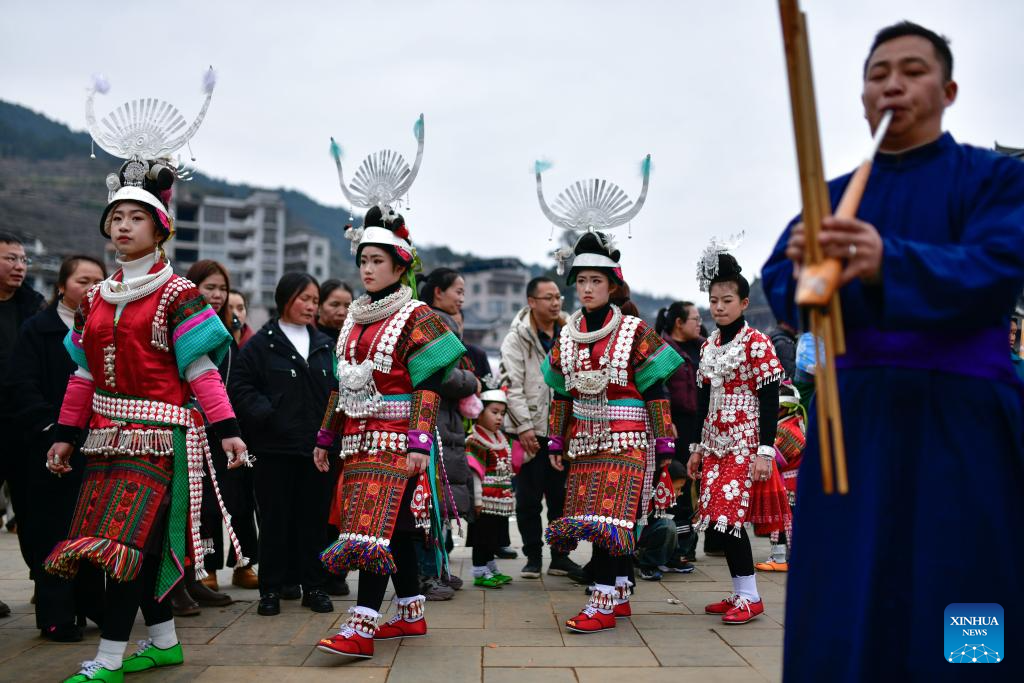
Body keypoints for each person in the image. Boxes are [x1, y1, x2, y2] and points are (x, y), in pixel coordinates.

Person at [762, 21, 1024, 680]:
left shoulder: (992, 179)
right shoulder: (831, 200)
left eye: (912, 70)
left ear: (949, 89)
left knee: (966, 572)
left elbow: (997, 269)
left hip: (964, 418)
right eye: (878, 74)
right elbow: (789, 288)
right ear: (861, 96)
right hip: (855, 419)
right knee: (845, 577)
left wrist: (888, 260)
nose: (893, 85)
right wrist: (802, 272)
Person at [44, 81, 252, 680]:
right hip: (106, 437)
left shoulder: (180, 294)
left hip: (161, 440)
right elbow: (83, 375)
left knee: (124, 548)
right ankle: (161, 642)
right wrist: (64, 434)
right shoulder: (97, 298)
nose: (123, 227)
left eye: (137, 217)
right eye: (116, 217)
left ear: (161, 228)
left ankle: (109, 657)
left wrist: (229, 431)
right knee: (131, 548)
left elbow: (202, 371)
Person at [313, 206, 466, 659]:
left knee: (370, 532)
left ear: (401, 265)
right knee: (394, 527)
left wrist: (419, 441)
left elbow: (430, 384)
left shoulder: (419, 315)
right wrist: (326, 436)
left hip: (397, 439)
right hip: (358, 438)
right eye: (363, 260)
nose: (368, 269)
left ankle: (361, 625)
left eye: (378, 261)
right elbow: (342, 384)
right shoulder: (355, 318)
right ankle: (410, 612)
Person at [543, 231, 682, 633]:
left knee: (611, 521)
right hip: (585, 441)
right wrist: (556, 437)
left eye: (596, 281)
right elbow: (560, 392)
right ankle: (618, 594)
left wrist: (663, 439)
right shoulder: (567, 335)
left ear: (613, 285)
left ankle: (601, 602)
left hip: (628, 438)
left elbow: (656, 389)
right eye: (582, 281)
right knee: (597, 519)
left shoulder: (636, 330)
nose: (587, 289)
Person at [5, 255, 106, 640]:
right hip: (48, 445)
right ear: (62, 286)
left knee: (91, 528)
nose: (91, 288)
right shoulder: (38, 329)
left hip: (96, 445)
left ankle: (92, 602)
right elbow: (21, 385)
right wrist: (52, 428)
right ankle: (56, 613)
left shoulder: (104, 328)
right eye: (83, 280)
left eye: (98, 281)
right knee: (51, 531)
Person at [228, 273, 336, 617]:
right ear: (285, 299)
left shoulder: (324, 344)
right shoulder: (262, 343)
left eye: (315, 300)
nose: (311, 306)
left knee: (315, 522)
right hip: (273, 449)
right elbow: (240, 387)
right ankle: (270, 589)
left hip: (317, 450)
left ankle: (314, 586)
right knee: (274, 521)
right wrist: (269, 414)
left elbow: (338, 391)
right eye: (305, 298)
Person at [687, 245, 783, 626]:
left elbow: (770, 398)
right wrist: (696, 448)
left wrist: (765, 450)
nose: (719, 307)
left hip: (744, 440)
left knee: (728, 517)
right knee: (718, 520)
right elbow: (703, 398)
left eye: (727, 300)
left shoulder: (756, 342)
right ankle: (741, 591)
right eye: (713, 300)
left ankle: (751, 597)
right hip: (714, 442)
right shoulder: (709, 345)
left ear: (744, 302)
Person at [499, 276, 581, 578]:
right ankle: (533, 556)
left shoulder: (571, 333)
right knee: (529, 498)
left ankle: (560, 556)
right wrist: (524, 426)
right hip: (528, 430)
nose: (555, 302)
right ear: (531, 301)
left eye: (558, 296)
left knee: (562, 499)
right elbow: (512, 385)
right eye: (548, 297)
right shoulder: (516, 337)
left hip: (563, 431)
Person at [186, 260, 259, 595]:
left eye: (221, 289)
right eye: (209, 287)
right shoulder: (184, 327)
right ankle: (209, 568)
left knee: (239, 504)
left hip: (230, 432)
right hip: (194, 431)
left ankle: (245, 564)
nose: (216, 295)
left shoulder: (231, 332)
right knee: (207, 509)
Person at [418, 266, 480, 595]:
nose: (462, 297)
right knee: (430, 503)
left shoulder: (439, 319)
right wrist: (471, 382)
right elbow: (441, 375)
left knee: (439, 503)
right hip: (434, 422)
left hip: (445, 422)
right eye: (457, 290)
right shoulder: (435, 321)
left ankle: (438, 570)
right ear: (438, 292)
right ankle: (426, 574)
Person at [0, 231, 46, 619]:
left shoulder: (34, 306)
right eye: (10, 259)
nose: (19, 267)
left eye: (23, 260)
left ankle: (43, 582)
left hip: (25, 426)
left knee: (31, 510)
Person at [654, 301, 703, 564]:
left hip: (699, 422)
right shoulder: (662, 350)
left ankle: (690, 545)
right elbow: (657, 387)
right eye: (694, 319)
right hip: (675, 426)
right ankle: (678, 547)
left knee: (697, 484)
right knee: (678, 485)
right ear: (678, 323)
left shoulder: (704, 347)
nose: (699, 322)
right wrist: (665, 420)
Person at [464, 382, 516, 588]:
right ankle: (480, 571)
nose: (499, 418)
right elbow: (475, 474)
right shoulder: (475, 440)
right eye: (494, 412)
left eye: (502, 414)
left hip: (500, 499)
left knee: (494, 537)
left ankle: (491, 567)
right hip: (484, 501)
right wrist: (476, 500)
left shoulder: (501, 438)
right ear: (479, 411)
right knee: (482, 538)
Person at [317, 279, 354, 345]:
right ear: (319, 305)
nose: (341, 312)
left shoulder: (354, 341)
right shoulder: (306, 336)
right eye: (335, 305)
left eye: (347, 306)